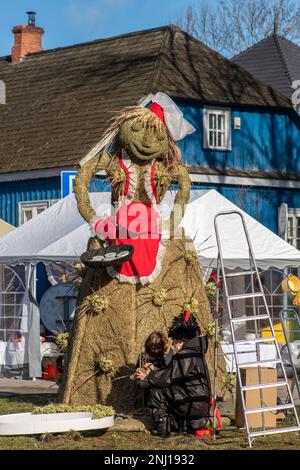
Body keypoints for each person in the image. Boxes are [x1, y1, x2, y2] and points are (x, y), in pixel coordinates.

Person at [136, 311, 211, 437]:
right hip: (199, 404)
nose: (173, 345)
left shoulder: (186, 354)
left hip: (193, 403)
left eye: (174, 341)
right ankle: (191, 424)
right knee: (163, 387)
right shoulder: (195, 352)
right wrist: (155, 369)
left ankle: (162, 425)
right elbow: (175, 373)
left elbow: (169, 377)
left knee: (157, 389)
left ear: (181, 341)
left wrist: (148, 378)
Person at [135, 332, 172, 406]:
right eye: (153, 349)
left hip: (162, 389)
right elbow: (138, 374)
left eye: (159, 348)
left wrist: (154, 368)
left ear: (163, 346)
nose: (156, 351)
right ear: (148, 347)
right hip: (147, 390)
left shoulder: (167, 356)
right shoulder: (143, 356)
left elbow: (169, 375)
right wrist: (143, 369)